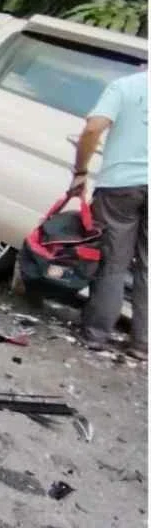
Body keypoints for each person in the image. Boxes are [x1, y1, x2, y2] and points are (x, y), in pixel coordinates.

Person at [70, 65, 148, 360]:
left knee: (113, 263)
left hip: (120, 185)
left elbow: (93, 129)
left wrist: (80, 171)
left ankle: (96, 334)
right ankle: (143, 344)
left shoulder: (125, 86)